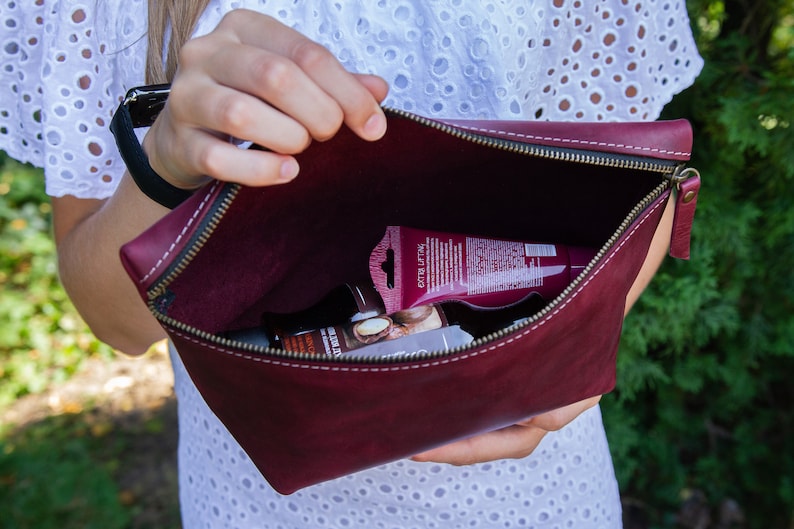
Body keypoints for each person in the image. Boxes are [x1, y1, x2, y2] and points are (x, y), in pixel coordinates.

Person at [0, 1, 703, 527]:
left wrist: (564, 356)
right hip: (258, 504)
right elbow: (113, 318)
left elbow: (641, 192)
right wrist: (164, 170)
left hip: (539, 497)